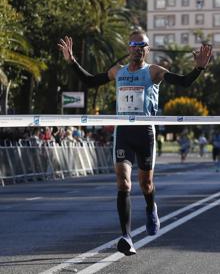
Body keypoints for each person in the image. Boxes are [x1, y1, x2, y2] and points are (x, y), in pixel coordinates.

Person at [58, 31, 212, 256]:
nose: (138, 48)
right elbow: (90, 81)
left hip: (145, 134)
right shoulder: (118, 72)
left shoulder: (154, 71)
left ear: (147, 49)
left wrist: (198, 69)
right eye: (134, 44)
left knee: (146, 185)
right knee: (123, 184)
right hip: (124, 134)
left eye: (143, 45)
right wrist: (72, 62)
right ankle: (126, 237)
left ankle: (151, 207)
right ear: (128, 48)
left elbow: (184, 83)